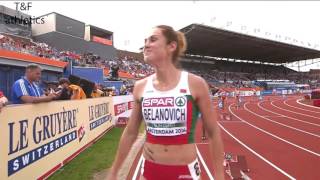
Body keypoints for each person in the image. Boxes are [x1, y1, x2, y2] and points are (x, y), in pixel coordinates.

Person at [108, 25, 224, 180]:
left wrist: (219, 176)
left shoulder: (195, 84)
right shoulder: (140, 86)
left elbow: (213, 132)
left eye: (153, 39)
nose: (146, 44)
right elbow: (130, 132)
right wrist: (114, 171)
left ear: (171, 46)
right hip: (149, 171)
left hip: (185, 172)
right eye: (145, 41)